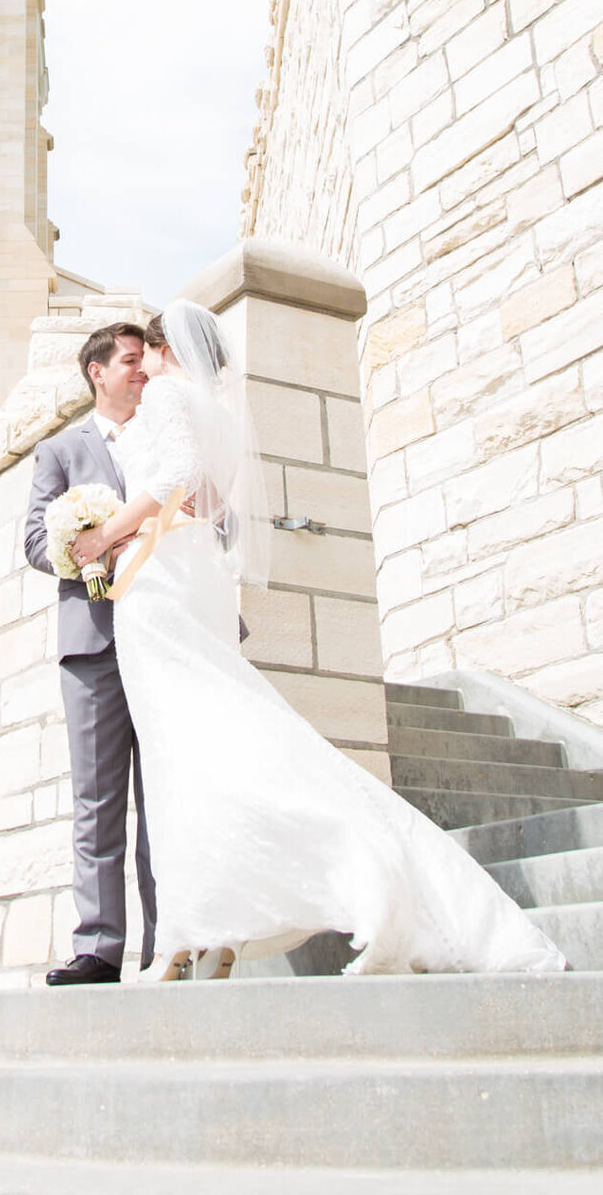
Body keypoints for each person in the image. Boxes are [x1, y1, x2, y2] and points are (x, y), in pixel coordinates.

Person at [69, 299, 566, 982]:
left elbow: (172, 478)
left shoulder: (165, 399)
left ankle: (211, 931)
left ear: (162, 350)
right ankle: (202, 941)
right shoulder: (220, 412)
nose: (142, 371)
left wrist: (104, 536)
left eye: (144, 356)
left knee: (181, 755)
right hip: (200, 581)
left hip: (158, 588)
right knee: (202, 750)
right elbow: (212, 502)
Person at [24, 321, 156, 985]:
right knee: (98, 800)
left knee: (164, 795)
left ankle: (171, 947)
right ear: (97, 372)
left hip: (166, 636)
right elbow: (32, 541)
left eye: (144, 361)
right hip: (94, 643)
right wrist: (89, 548)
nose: (141, 371)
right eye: (130, 361)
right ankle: (100, 948)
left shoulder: (165, 437)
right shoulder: (59, 451)